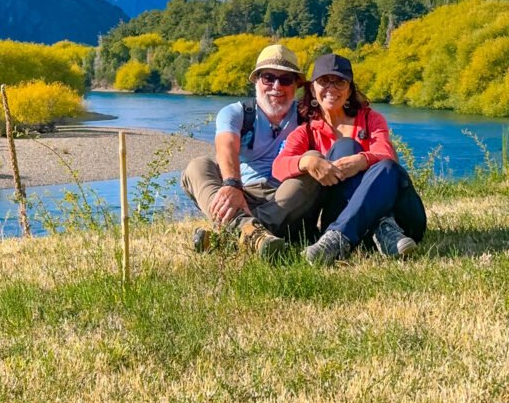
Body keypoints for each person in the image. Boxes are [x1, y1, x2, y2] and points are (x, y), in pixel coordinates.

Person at [272, 53, 427, 267]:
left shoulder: (370, 119)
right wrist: (307, 162)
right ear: (312, 89)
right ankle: (369, 229)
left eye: (340, 81)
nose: (331, 88)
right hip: (343, 216)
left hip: (402, 225)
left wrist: (362, 161)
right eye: (324, 81)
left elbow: (386, 153)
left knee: (387, 166)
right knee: (345, 147)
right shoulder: (305, 132)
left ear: (350, 90)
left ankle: (348, 235)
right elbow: (278, 167)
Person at [181, 44, 323, 258]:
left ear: (296, 85)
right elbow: (226, 146)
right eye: (268, 78)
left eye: (285, 80)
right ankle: (252, 235)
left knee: (314, 164)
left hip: (286, 197)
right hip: (242, 193)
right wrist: (232, 184)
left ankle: (231, 234)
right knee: (197, 166)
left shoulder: (309, 116)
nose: (276, 86)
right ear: (256, 81)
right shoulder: (236, 113)